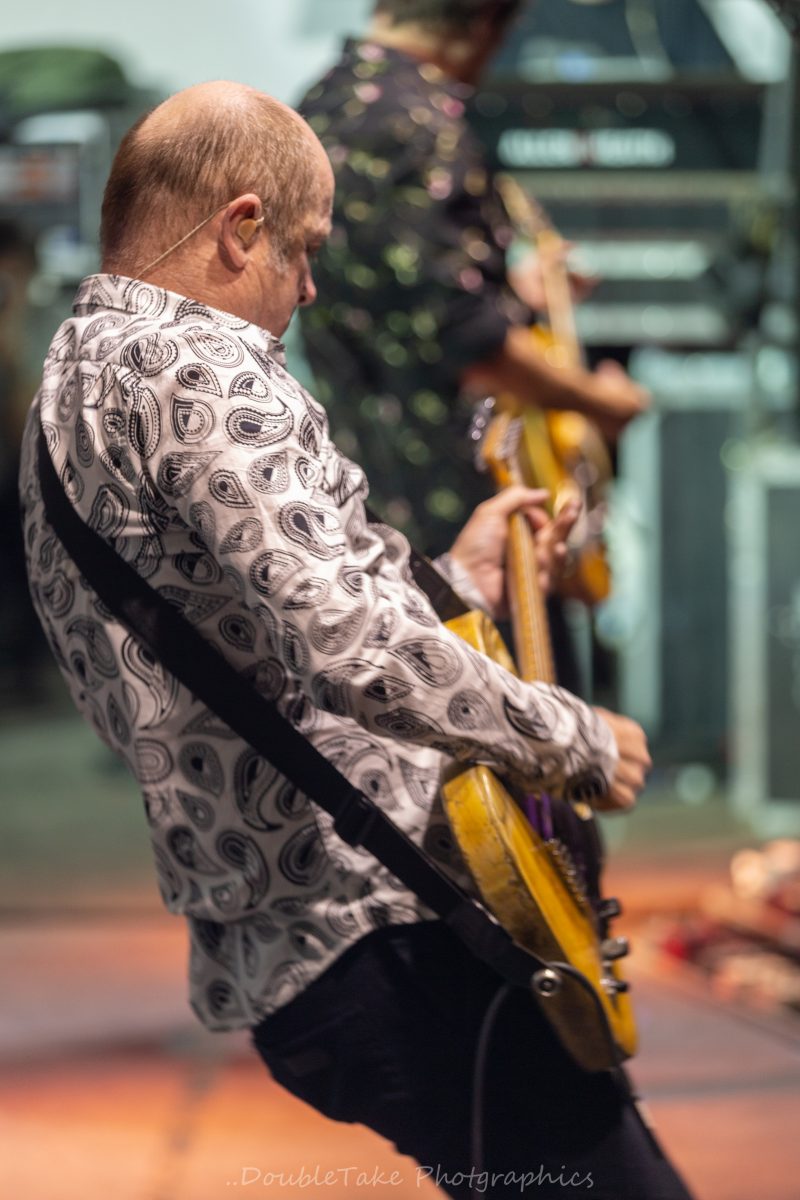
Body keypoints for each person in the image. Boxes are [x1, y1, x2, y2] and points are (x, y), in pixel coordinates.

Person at [19, 82, 691, 1198]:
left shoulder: (79, 372)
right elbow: (354, 651)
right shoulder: (206, 366)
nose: (311, 282)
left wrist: (451, 576)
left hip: (286, 950)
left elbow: (245, 612)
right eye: (304, 247)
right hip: (382, 925)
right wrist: (566, 736)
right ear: (240, 226)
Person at [297, 0, 649, 559]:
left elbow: (396, 296)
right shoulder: (425, 128)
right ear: (488, 24)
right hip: (458, 517)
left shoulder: (319, 105)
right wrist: (601, 402)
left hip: (361, 492)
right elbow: (471, 343)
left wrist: (511, 293)